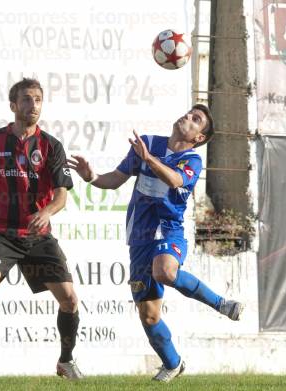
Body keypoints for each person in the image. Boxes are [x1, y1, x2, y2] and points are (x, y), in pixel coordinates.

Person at [67, 104, 243, 382]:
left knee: (165, 271)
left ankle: (221, 303)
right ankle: (172, 362)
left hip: (169, 232)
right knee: (148, 315)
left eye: (195, 120)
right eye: (188, 113)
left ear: (199, 137)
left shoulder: (192, 160)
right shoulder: (147, 143)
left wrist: (149, 160)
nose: (187, 117)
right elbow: (116, 179)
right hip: (139, 237)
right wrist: (92, 176)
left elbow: (174, 180)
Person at [0, 78, 83, 380]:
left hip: (37, 236)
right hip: (0, 232)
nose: (32, 105)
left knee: (70, 300)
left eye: (37, 99)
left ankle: (66, 360)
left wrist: (46, 212)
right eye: (26, 99)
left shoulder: (50, 146)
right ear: (13, 105)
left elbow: (62, 195)